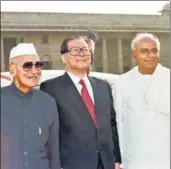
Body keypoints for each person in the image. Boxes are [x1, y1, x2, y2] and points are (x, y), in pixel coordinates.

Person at [40, 36, 121, 169]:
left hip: (106, 163)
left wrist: (116, 158)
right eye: (75, 50)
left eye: (85, 50)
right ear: (63, 58)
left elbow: (112, 125)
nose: (82, 54)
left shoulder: (103, 86)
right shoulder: (50, 88)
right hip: (72, 164)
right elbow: (47, 133)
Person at [113, 33, 170, 169]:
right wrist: (120, 160)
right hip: (135, 160)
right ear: (134, 54)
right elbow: (118, 123)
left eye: (154, 50)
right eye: (144, 51)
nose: (150, 55)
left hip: (166, 157)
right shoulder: (122, 82)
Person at [1, 43, 61, 169]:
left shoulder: (48, 102)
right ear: (12, 69)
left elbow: (53, 151)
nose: (34, 71)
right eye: (27, 66)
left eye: (38, 65)